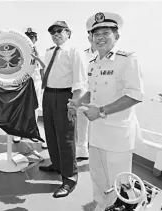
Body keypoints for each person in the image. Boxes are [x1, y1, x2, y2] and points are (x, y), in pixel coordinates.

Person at [69, 12, 144, 210]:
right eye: (96, 34)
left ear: (116, 36)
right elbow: (92, 93)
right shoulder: (94, 63)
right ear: (91, 38)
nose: (100, 37)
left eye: (106, 32)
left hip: (117, 132)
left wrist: (101, 110)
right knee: (97, 172)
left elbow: (135, 95)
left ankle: (125, 206)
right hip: (97, 130)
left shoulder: (127, 59)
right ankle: (102, 203)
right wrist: (78, 102)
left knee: (119, 177)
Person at [31, 21, 88, 198]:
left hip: (65, 96)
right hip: (48, 95)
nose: (55, 34)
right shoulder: (49, 52)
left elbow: (80, 80)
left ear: (68, 32)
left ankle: (69, 178)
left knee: (66, 137)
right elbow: (50, 70)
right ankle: (56, 164)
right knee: (51, 133)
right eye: (52, 32)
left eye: (59, 31)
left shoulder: (74, 51)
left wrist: (74, 104)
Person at [13, 28, 47, 149]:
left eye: (32, 37)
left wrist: (44, 83)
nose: (30, 39)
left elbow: (43, 68)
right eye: (28, 36)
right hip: (22, 82)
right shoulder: (18, 51)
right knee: (20, 106)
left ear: (36, 39)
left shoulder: (41, 52)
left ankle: (32, 130)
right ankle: (19, 131)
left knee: (35, 106)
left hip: (36, 82)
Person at [75, 31, 99, 160]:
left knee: (98, 126)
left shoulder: (107, 54)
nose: (94, 37)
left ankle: (95, 151)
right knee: (82, 123)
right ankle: (82, 149)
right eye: (92, 34)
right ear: (89, 37)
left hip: (101, 96)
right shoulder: (83, 54)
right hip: (86, 93)